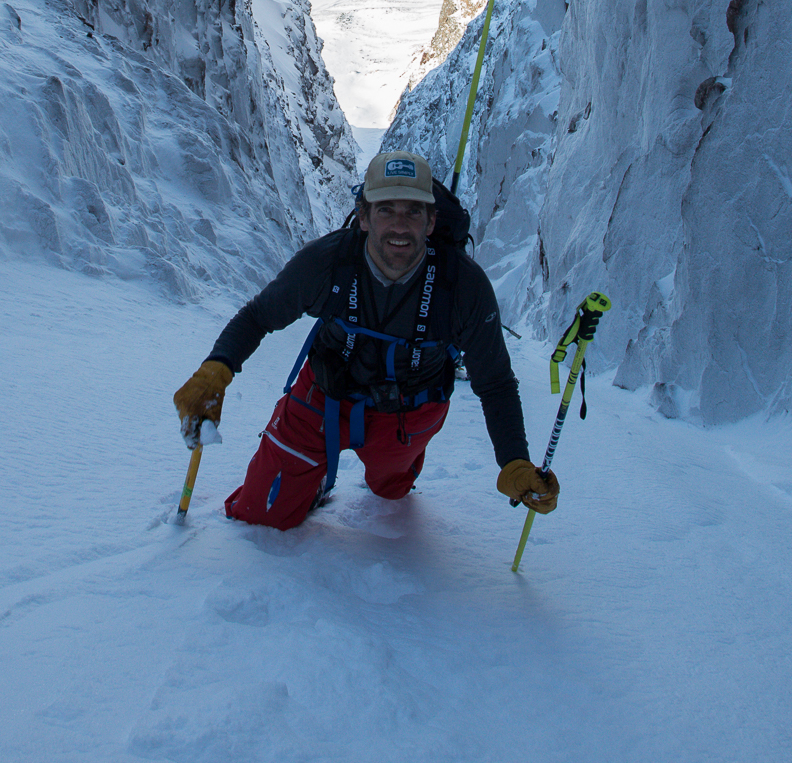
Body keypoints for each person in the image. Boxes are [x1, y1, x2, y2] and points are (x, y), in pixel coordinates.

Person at [173, 150, 559, 530]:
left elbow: (495, 383)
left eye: (413, 211)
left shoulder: (462, 286)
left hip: (410, 412)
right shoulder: (328, 262)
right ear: (363, 217)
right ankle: (312, 478)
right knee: (260, 512)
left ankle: (393, 468)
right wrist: (215, 371)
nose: (399, 225)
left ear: (430, 222)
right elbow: (259, 316)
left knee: (391, 491)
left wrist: (514, 461)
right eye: (385, 209)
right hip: (323, 399)